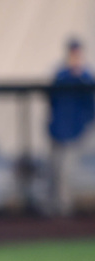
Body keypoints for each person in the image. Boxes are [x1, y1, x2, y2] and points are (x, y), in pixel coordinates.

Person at [47, 38, 95, 216]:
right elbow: (52, 100)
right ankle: (53, 206)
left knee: (66, 172)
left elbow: (91, 107)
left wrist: (83, 127)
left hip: (75, 133)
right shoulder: (61, 75)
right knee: (54, 170)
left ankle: (63, 209)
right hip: (57, 131)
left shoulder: (86, 77)